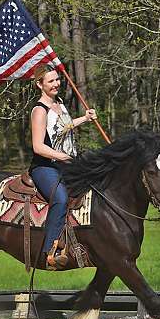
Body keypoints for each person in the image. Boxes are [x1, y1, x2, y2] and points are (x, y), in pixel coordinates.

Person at [29, 64, 97, 270]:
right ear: (39, 84)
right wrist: (63, 157)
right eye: (50, 81)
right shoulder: (39, 111)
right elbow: (38, 146)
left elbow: (62, 128)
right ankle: (50, 251)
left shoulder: (59, 104)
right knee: (60, 198)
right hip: (45, 167)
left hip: (67, 163)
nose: (56, 84)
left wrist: (84, 119)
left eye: (57, 79)